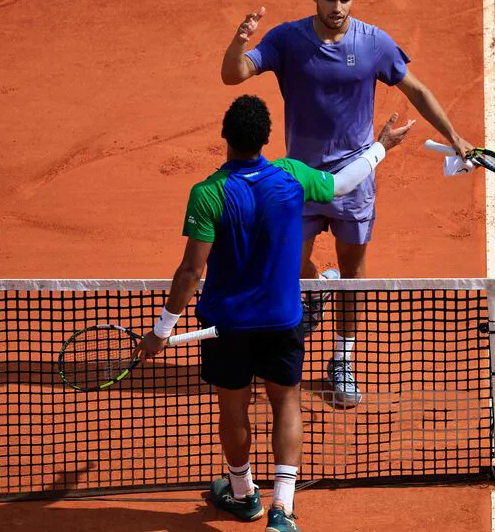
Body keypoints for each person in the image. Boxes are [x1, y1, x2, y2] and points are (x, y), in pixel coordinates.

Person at [134, 95, 413, 532]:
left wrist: (159, 330)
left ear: (225, 138)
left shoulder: (208, 194)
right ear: (265, 139)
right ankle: (282, 510)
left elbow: (191, 270)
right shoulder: (291, 175)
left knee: (233, 409)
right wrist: (382, 147)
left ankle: (244, 496)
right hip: (284, 320)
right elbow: (342, 185)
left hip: (226, 328)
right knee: (286, 404)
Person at [220, 0, 476, 406]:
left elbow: (414, 88)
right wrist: (240, 41)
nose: (338, 7)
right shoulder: (287, 40)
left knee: (353, 275)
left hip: (354, 179)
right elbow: (232, 74)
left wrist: (453, 135)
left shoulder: (373, 42)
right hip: (300, 180)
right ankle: (317, 291)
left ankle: (342, 358)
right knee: (290, 266)